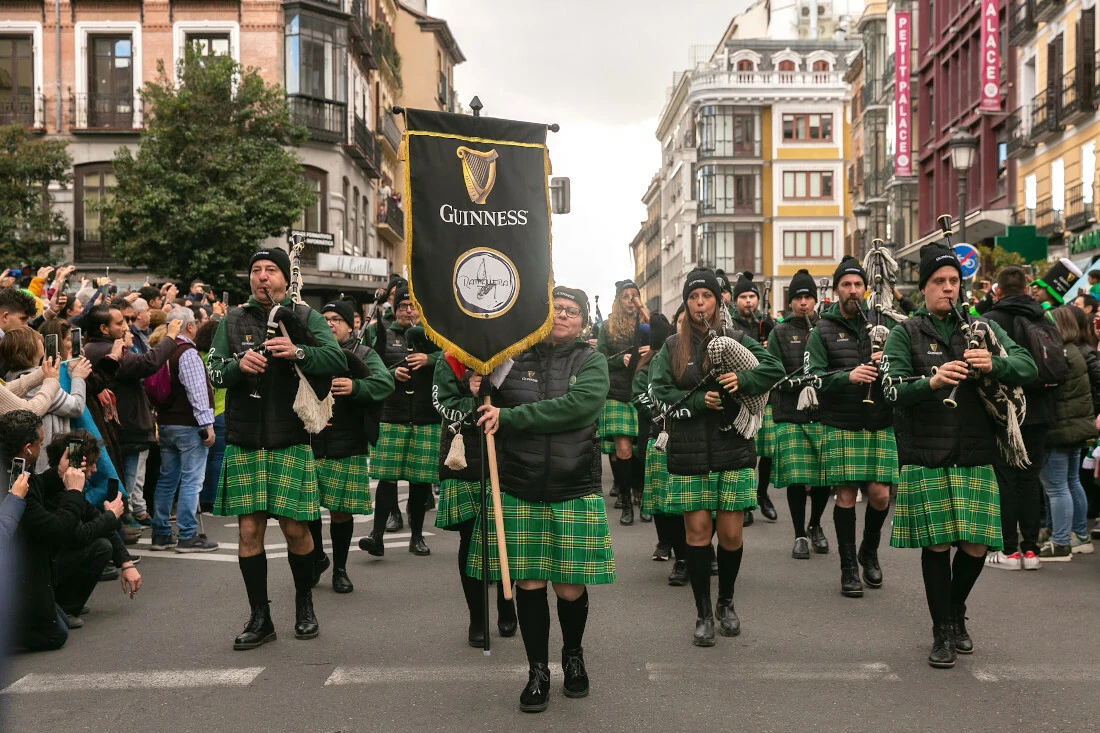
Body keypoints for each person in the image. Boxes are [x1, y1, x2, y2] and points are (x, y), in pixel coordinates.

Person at [884, 243, 1036, 668]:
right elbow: (890, 389)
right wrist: (930, 383)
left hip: (975, 449)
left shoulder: (981, 327)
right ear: (924, 287)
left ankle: (955, 610)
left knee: (974, 546)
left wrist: (994, 363)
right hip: (927, 452)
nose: (948, 288)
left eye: (953, 281)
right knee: (936, 546)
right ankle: (941, 631)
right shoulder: (905, 333)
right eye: (939, 281)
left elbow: (1028, 366)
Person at [466, 286, 612, 713]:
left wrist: (510, 417)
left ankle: (573, 655)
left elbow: (578, 408)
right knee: (528, 583)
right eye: (556, 308)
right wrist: (474, 387)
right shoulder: (509, 359)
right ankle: (537, 671)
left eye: (572, 311)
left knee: (569, 587)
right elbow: (480, 408)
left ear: (583, 321)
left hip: (573, 487)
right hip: (518, 485)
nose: (563, 315)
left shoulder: (592, 361)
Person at [207, 248, 347, 649]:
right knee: (249, 530)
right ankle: (260, 617)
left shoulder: (305, 316)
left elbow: (336, 359)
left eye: (271, 270)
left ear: (286, 278)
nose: (262, 277)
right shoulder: (233, 319)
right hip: (245, 440)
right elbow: (214, 371)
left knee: (295, 529)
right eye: (256, 270)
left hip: (289, 440)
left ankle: (304, 605)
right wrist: (237, 366)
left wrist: (298, 351)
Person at [649, 268, 784, 647]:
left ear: (717, 300)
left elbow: (774, 369)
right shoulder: (672, 346)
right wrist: (697, 401)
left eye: (706, 296)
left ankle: (726, 601)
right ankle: (703, 613)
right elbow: (657, 391)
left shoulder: (736, 339)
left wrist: (743, 380)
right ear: (686, 303)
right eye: (693, 297)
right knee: (696, 535)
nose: (699, 303)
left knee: (730, 535)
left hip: (732, 448)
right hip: (689, 451)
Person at [804, 255, 899, 598]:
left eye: (858, 284)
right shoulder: (822, 330)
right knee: (845, 496)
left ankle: (868, 551)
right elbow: (812, 377)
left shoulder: (883, 324)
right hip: (841, 422)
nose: (853, 290)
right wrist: (848, 376)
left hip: (878, 421)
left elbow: (904, 369)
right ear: (837, 290)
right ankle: (848, 567)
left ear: (866, 289)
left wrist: (886, 362)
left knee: (881, 495)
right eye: (846, 284)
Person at [307, 299, 394, 593]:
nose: (329, 324)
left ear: (350, 326)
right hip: (310, 438)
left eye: (336, 319)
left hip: (348, 441)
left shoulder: (365, 354)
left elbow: (385, 383)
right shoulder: (311, 352)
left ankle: (340, 570)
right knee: (307, 510)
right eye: (324, 319)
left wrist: (356, 386)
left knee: (341, 512)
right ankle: (318, 558)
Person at [432, 351, 517, 645]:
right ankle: (477, 617)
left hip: (509, 457)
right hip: (465, 459)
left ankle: (506, 600)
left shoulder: (516, 353)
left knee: (507, 536)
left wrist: (498, 393)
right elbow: (443, 405)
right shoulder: (450, 358)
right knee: (470, 541)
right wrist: (471, 392)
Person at [982, 266, 1063, 570]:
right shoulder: (1043, 317)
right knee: (1029, 479)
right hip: (1040, 411)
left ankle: (1008, 550)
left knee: (1005, 479)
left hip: (1006, 411)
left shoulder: (990, 320)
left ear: (998, 291)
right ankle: (1031, 551)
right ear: (1027, 289)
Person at [358, 287, 441, 558]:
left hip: (426, 416)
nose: (408, 311)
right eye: (403, 306)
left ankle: (417, 537)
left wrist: (429, 358)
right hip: (391, 415)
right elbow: (366, 367)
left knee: (419, 482)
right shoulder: (380, 332)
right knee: (387, 479)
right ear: (394, 310)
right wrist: (391, 374)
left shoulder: (433, 335)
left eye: (413, 306)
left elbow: (453, 360)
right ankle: (376, 535)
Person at [83, 304, 182, 529]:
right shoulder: (103, 350)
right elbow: (147, 363)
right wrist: (170, 337)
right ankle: (122, 521)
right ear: (104, 329)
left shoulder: (100, 347)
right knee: (124, 481)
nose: (126, 327)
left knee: (124, 478)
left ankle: (123, 519)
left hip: (122, 425)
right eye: (119, 323)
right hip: (126, 427)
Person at [39, 430, 142, 626]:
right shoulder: (55, 493)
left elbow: (98, 522)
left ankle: (64, 601)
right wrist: (110, 516)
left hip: (51, 560)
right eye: (92, 463)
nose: (94, 469)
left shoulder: (68, 489)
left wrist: (127, 564)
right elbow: (80, 534)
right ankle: (63, 607)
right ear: (77, 464)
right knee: (100, 547)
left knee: (102, 539)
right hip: (43, 564)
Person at [5, 410, 87, 650]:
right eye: (40, 443)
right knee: (56, 634)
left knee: (60, 621)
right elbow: (56, 529)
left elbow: (36, 485)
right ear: (28, 448)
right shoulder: (15, 488)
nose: (42, 447)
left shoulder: (15, 468)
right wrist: (74, 492)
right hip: (17, 572)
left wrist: (59, 474)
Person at [766, 270, 831, 559]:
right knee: (796, 477)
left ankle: (815, 524)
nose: (803, 302)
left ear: (815, 300)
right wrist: (792, 383)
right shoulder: (778, 332)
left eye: (808, 297)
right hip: (790, 413)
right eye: (798, 297)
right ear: (790, 302)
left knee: (822, 478)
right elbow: (771, 370)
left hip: (822, 413)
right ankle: (799, 534)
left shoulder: (827, 328)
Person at [150, 307, 219, 553]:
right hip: (188, 425)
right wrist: (207, 425)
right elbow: (197, 392)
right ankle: (187, 535)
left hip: (166, 422)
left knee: (167, 478)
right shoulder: (187, 352)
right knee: (191, 479)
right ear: (189, 326)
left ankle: (160, 533)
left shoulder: (163, 350)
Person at [1037, 307, 1097, 561]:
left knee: (1057, 487)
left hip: (1058, 429)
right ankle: (1079, 535)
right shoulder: (1075, 351)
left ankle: (1060, 542)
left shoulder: (1059, 354)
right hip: (1074, 428)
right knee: (1071, 482)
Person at [633, 313, 687, 581]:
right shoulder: (652, 363)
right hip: (660, 433)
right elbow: (641, 395)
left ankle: (698, 550)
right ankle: (668, 543)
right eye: (681, 321)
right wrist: (659, 414)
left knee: (688, 500)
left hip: (692, 436)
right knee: (663, 498)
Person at [1, 326, 94, 473]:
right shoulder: (40, 386)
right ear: (30, 347)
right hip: (45, 461)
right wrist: (77, 377)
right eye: (37, 338)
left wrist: (45, 372)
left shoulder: (10, 375)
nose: (41, 338)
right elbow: (75, 407)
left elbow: (9, 389)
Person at [596, 279, 649, 525]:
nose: (630, 300)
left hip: (641, 392)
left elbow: (663, 346)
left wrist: (643, 312)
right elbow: (599, 358)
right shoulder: (607, 327)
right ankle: (627, 504)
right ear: (618, 300)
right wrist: (620, 360)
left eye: (634, 296)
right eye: (625, 296)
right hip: (617, 394)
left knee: (641, 451)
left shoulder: (645, 325)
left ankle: (641, 494)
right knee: (624, 450)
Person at [728, 272, 777, 523]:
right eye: (743, 297)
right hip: (741, 398)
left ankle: (762, 494)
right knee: (746, 453)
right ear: (735, 301)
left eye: (752, 296)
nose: (748, 301)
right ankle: (746, 501)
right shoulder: (730, 328)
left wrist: (769, 347)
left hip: (765, 396)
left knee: (767, 452)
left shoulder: (766, 325)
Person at [195, 319, 227, 512]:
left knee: (202, 458)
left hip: (199, 414)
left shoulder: (196, 356)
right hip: (220, 411)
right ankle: (214, 498)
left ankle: (201, 497)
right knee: (218, 457)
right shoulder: (221, 358)